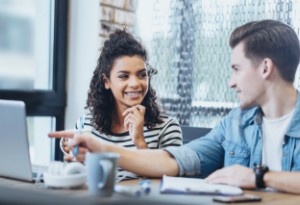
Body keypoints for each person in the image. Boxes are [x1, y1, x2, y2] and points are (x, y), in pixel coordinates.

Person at [49, 19, 300, 193]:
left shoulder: (168, 125)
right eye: (123, 76)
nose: (231, 82)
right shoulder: (235, 124)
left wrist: (258, 177)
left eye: (236, 69)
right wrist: (100, 147)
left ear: (265, 68)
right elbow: (173, 162)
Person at [60, 28, 182, 181]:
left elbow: (169, 183)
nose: (135, 83)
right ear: (106, 81)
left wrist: (140, 141)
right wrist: (69, 148)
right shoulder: (88, 124)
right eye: (124, 76)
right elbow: (77, 172)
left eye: (142, 75)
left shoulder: (168, 128)